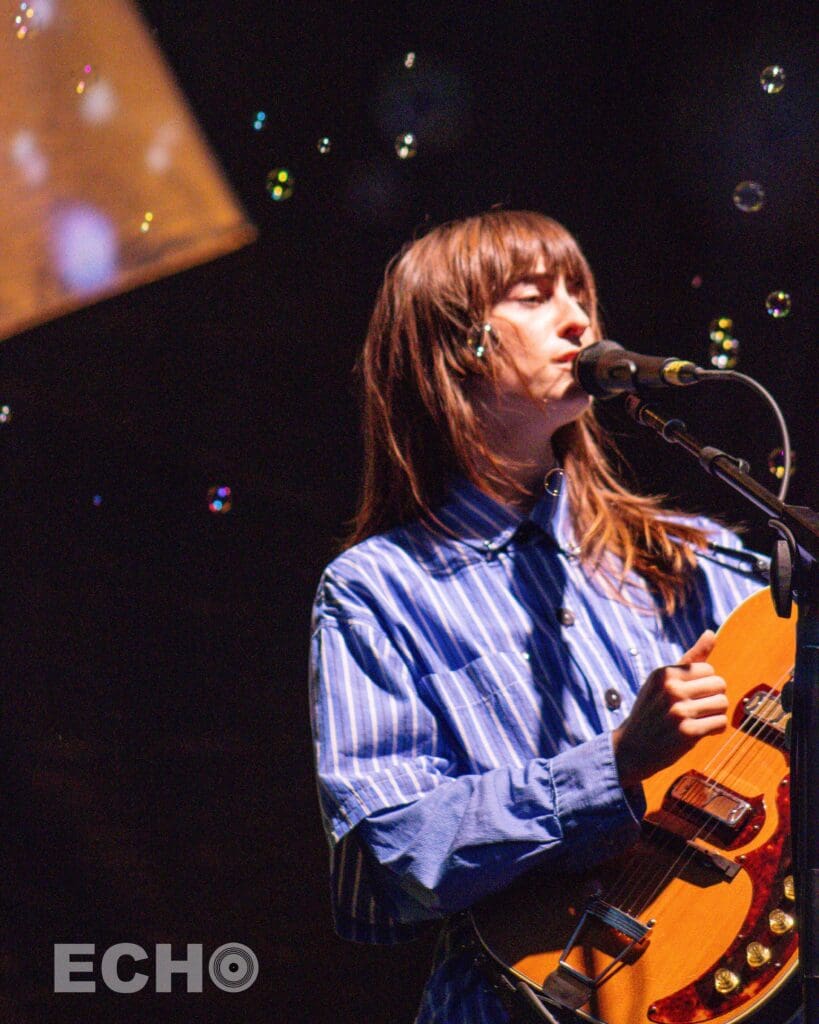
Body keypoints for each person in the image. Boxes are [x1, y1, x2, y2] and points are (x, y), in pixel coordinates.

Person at [308, 209, 769, 1023]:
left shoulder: (697, 556)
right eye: (534, 295)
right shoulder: (377, 590)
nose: (579, 319)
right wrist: (615, 762)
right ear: (460, 344)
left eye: (580, 292)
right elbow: (388, 858)